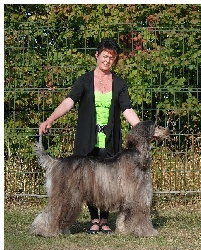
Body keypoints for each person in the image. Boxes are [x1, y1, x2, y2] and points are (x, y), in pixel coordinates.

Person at [39, 38, 141, 234]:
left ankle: (104, 220)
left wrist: (141, 130)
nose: (107, 61)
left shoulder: (119, 83)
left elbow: (127, 109)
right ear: (96, 55)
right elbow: (69, 101)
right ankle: (93, 220)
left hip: (110, 140)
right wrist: (50, 119)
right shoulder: (84, 80)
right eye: (105, 56)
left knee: (108, 181)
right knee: (88, 182)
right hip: (88, 138)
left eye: (112, 58)